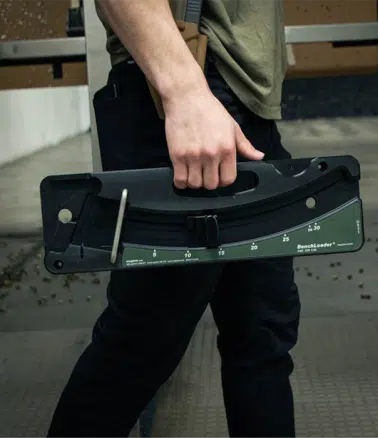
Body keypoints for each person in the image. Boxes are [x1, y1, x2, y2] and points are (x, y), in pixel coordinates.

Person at [47, 0, 301, 437]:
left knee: (263, 336)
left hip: (242, 105)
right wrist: (185, 93)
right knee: (142, 342)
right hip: (191, 94)